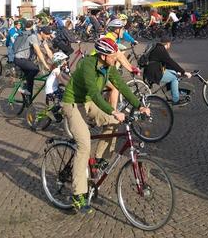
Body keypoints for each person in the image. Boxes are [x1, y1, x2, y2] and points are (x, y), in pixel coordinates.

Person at [60, 37, 150, 213]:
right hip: (73, 103)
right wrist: (113, 110)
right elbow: (94, 93)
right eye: (112, 55)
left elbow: (122, 86)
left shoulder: (109, 67)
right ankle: (78, 195)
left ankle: (100, 160)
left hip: (88, 102)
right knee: (84, 145)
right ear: (102, 55)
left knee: (113, 123)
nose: (116, 57)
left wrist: (139, 105)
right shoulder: (87, 64)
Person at [143, 34, 192, 106]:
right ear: (168, 43)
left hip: (151, 70)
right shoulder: (162, 50)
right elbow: (170, 62)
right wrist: (184, 72)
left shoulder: (157, 47)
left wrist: (177, 71)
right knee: (175, 77)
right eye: (170, 43)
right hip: (154, 73)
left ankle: (170, 89)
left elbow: (167, 63)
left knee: (174, 72)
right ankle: (176, 100)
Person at [12, 23, 53, 98]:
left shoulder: (43, 39)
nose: (49, 36)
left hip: (26, 60)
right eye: (47, 34)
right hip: (19, 59)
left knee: (31, 80)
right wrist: (46, 65)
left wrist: (55, 62)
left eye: (49, 34)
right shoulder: (33, 37)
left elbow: (48, 51)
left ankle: (28, 100)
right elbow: (39, 52)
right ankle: (22, 88)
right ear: (41, 33)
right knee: (35, 69)